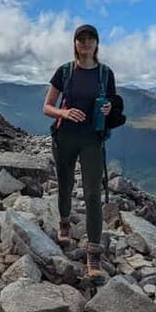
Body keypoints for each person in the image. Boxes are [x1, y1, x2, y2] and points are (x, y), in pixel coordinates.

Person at [43, 24, 116, 280]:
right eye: (81, 39)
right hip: (64, 137)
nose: (85, 43)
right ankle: (64, 221)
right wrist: (63, 112)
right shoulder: (65, 72)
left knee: (93, 193)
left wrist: (108, 109)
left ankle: (93, 252)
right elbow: (47, 106)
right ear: (75, 43)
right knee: (64, 184)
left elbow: (113, 106)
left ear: (97, 43)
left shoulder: (105, 74)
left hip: (92, 141)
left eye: (90, 39)